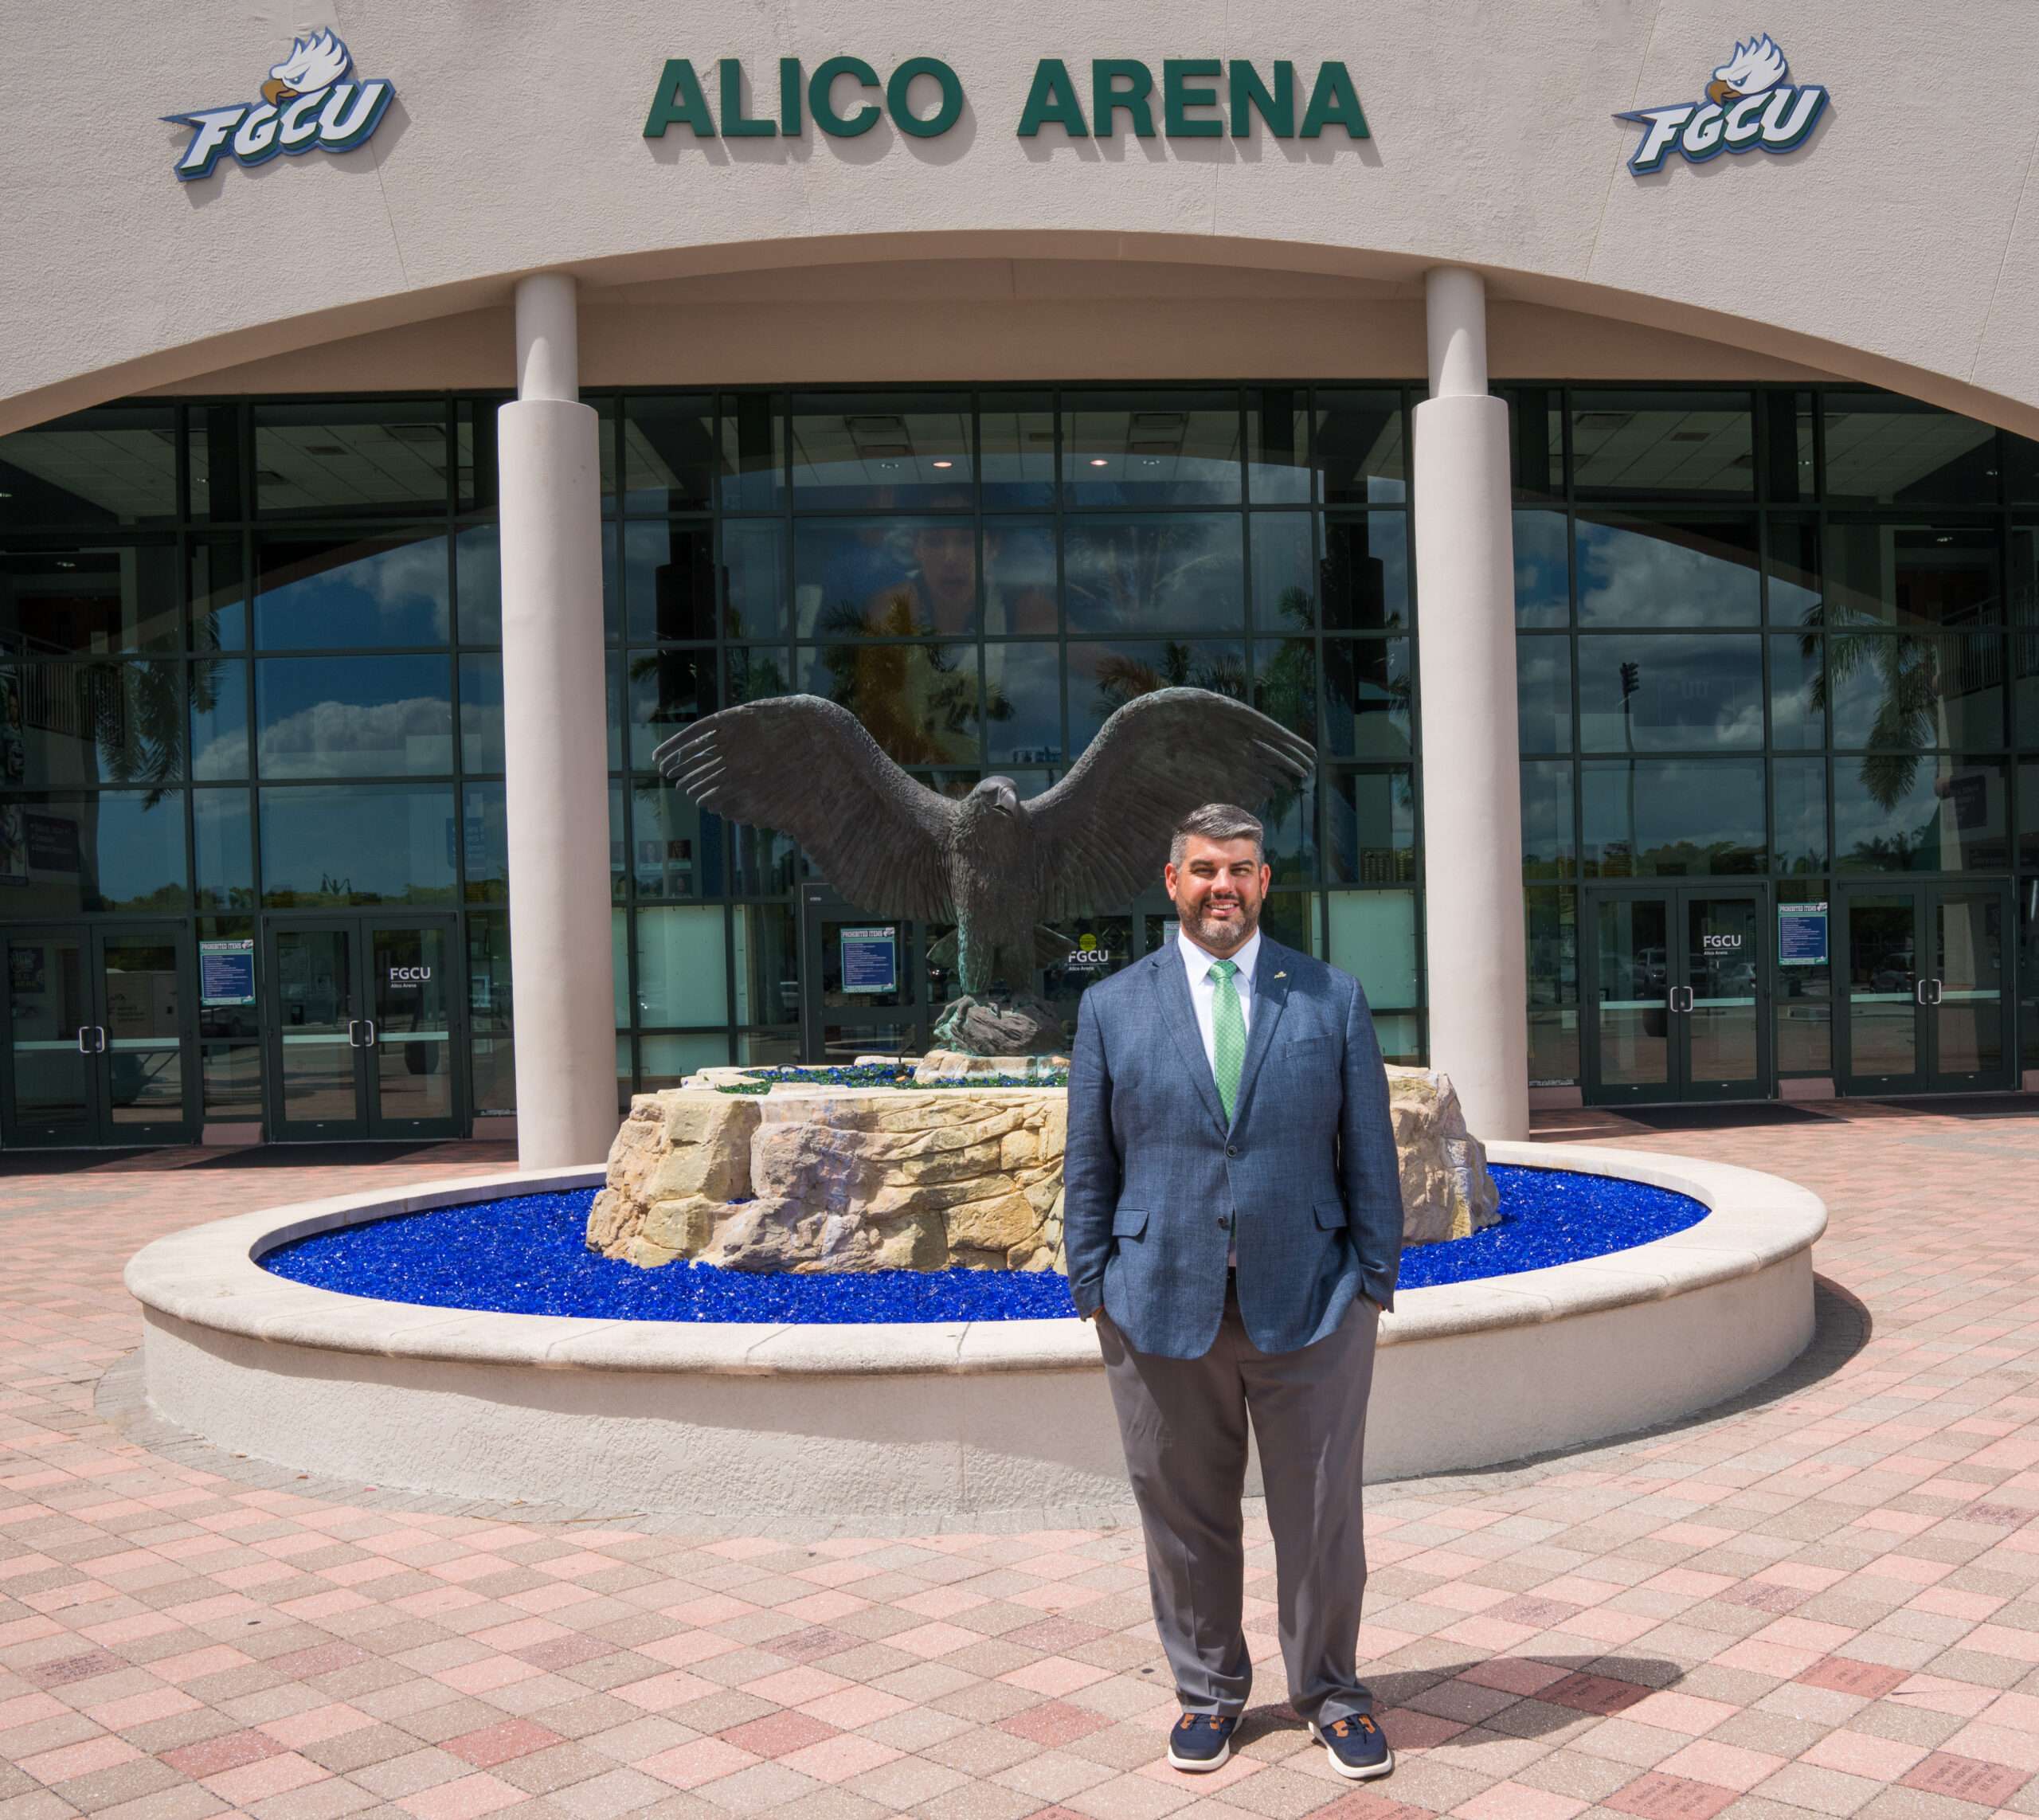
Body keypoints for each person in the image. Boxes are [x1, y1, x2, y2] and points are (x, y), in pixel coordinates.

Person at [1063, 801, 1404, 1781]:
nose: (1225, 885)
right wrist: (1094, 1286)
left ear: (1265, 881)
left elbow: (1368, 1155)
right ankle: (1207, 1693)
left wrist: (1371, 1284)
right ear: (1172, 881)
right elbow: (1089, 1163)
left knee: (1321, 1517)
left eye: (1243, 869)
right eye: (1205, 868)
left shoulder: (1328, 997)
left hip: (1311, 1302)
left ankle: (1333, 1693)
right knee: (1182, 1517)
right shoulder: (1112, 1006)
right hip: (1156, 1303)